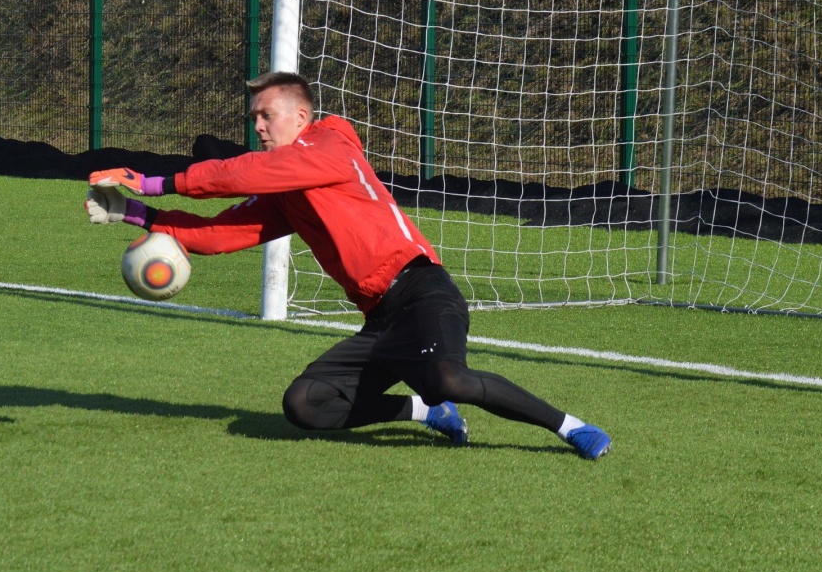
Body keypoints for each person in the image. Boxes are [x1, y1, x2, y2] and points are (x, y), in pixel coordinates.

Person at [84, 71, 611, 460]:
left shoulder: (331, 144)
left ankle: (569, 427)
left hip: (424, 293)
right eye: (254, 120)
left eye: (267, 116)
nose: (259, 127)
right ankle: (424, 411)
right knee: (306, 405)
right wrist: (135, 212)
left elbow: (246, 173)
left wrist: (152, 179)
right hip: (381, 319)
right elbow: (222, 234)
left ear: (302, 117)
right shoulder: (287, 188)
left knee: (449, 376)